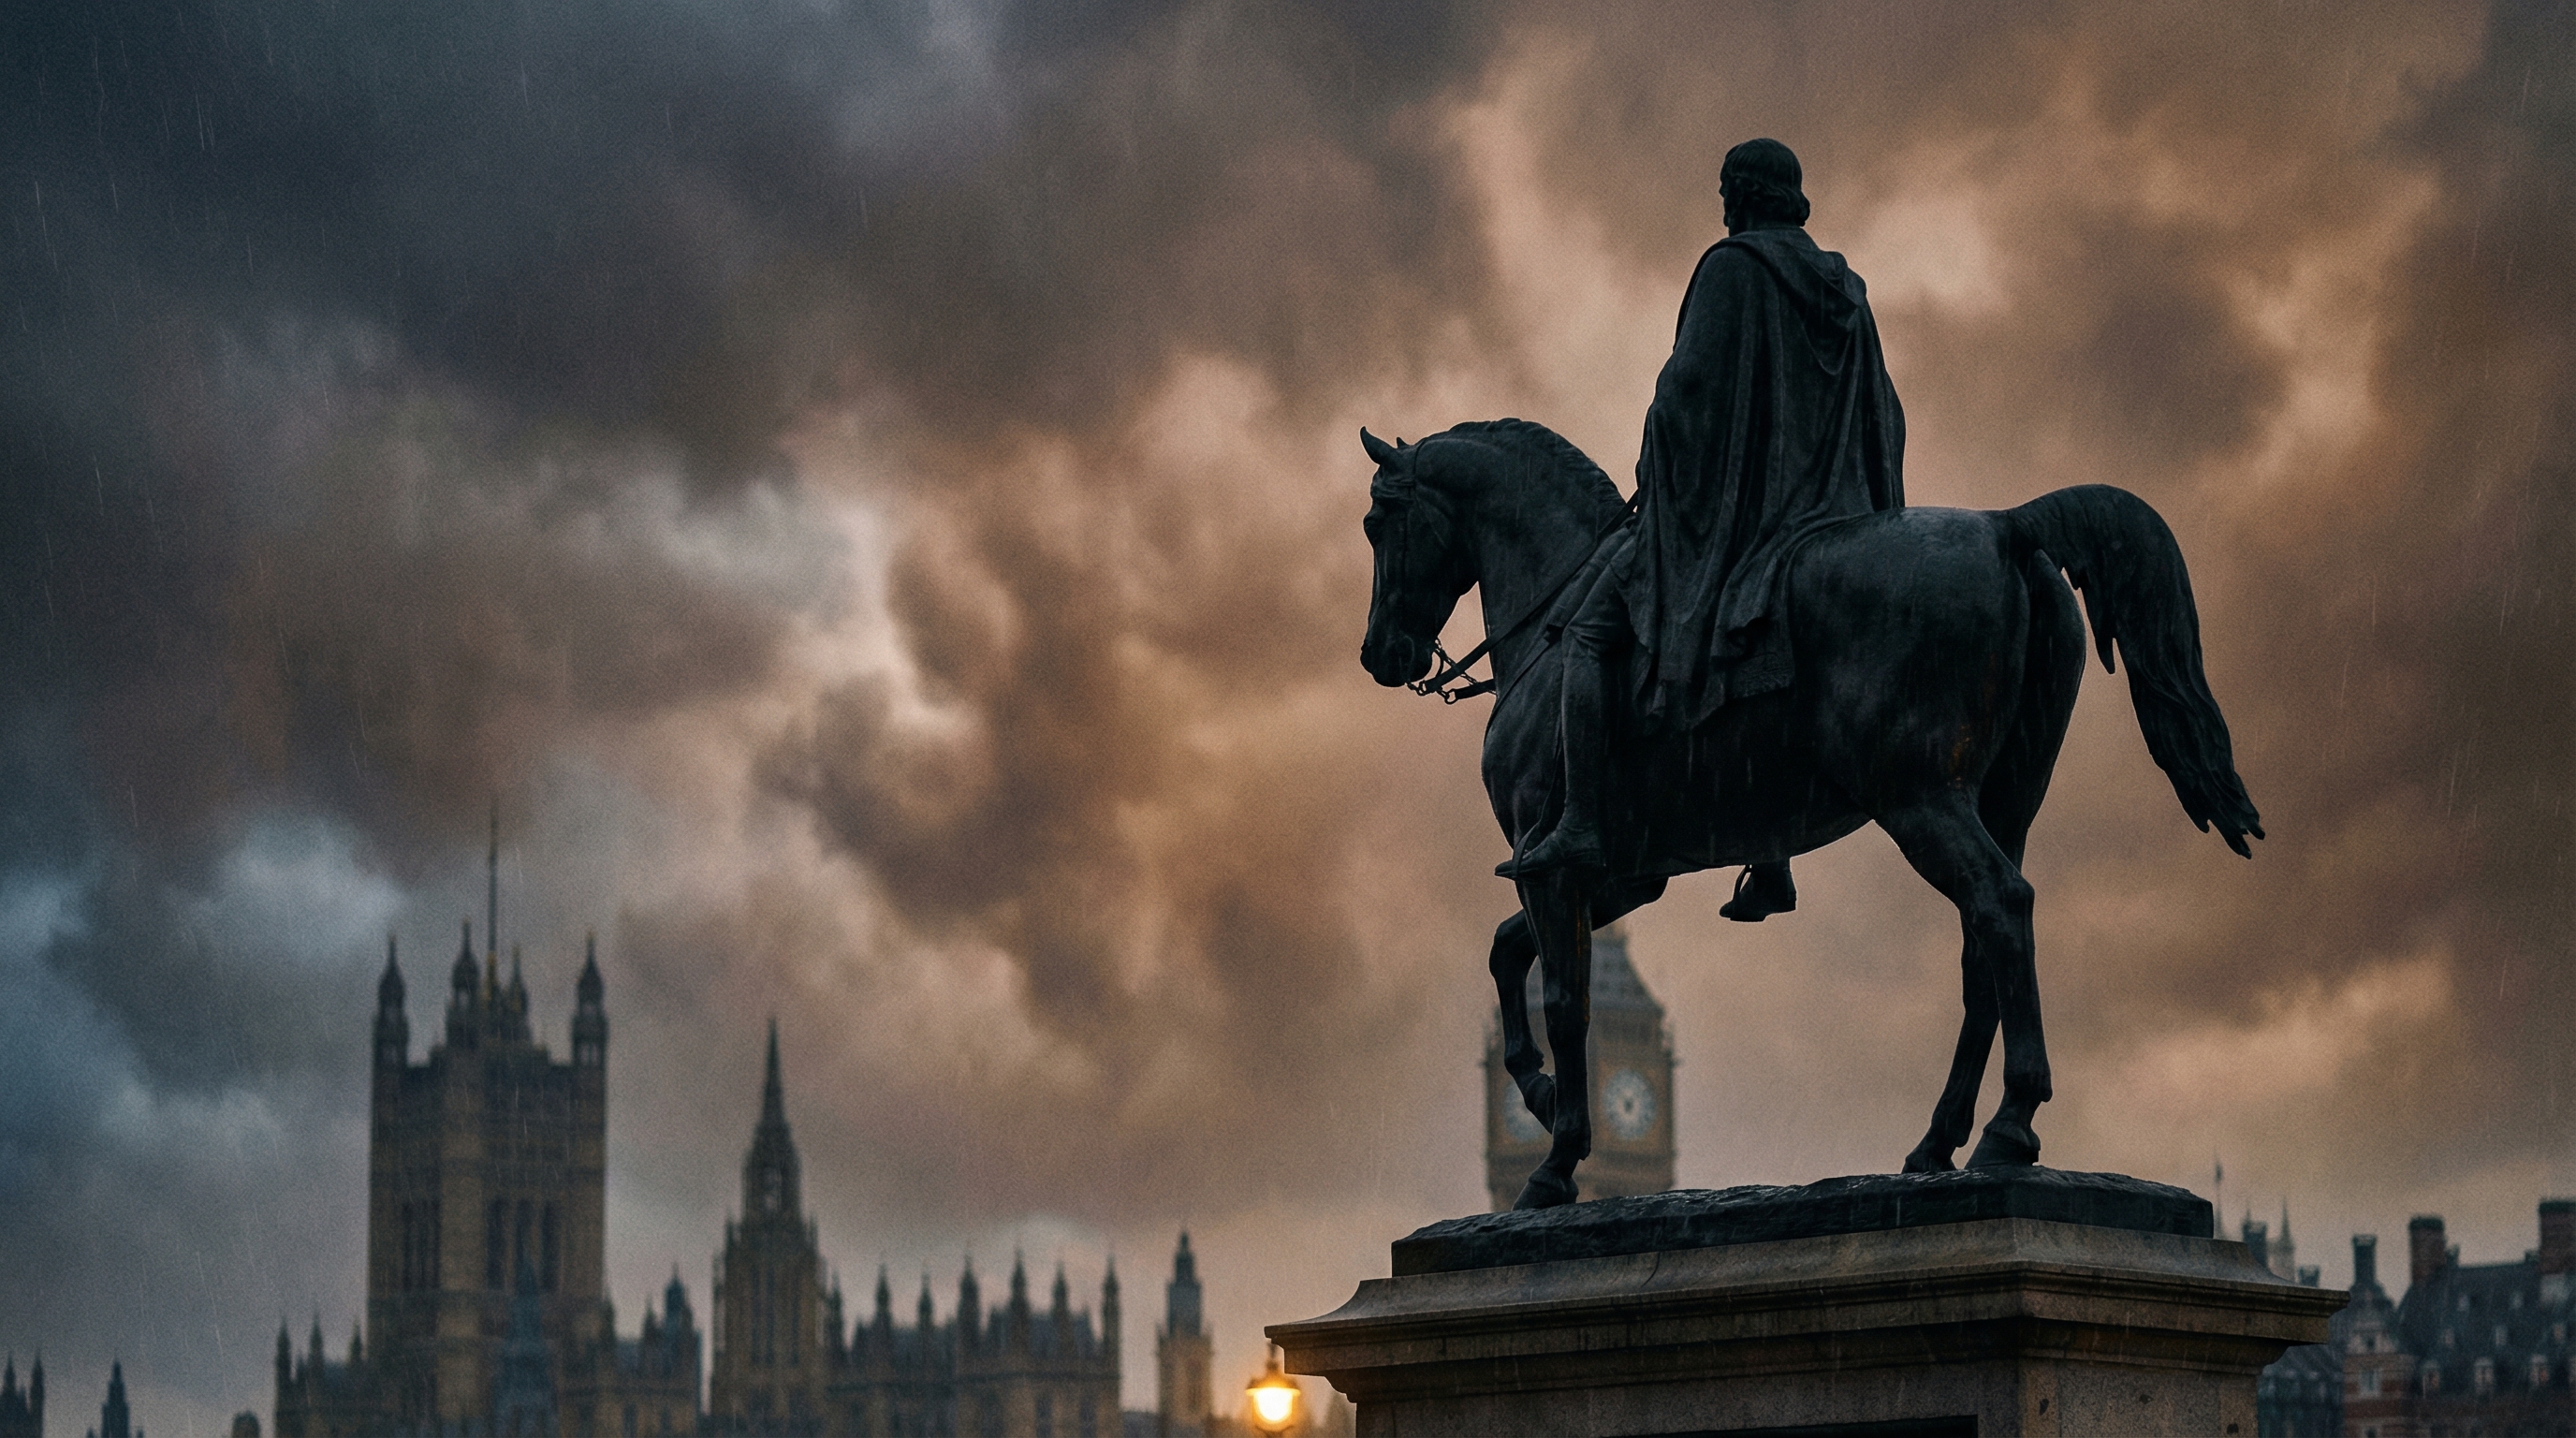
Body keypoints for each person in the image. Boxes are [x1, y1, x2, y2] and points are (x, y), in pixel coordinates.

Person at [1499, 139, 1906, 916]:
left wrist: (1659, 460)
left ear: (1747, 194)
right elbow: (1886, 414)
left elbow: (1689, 397)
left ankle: (1581, 823)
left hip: (1743, 523)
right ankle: (1771, 855)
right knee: (1779, 674)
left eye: (1728, 188)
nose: (1722, 202)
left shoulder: (1734, 269)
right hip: (1834, 519)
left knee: (1586, 633)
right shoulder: (1844, 288)